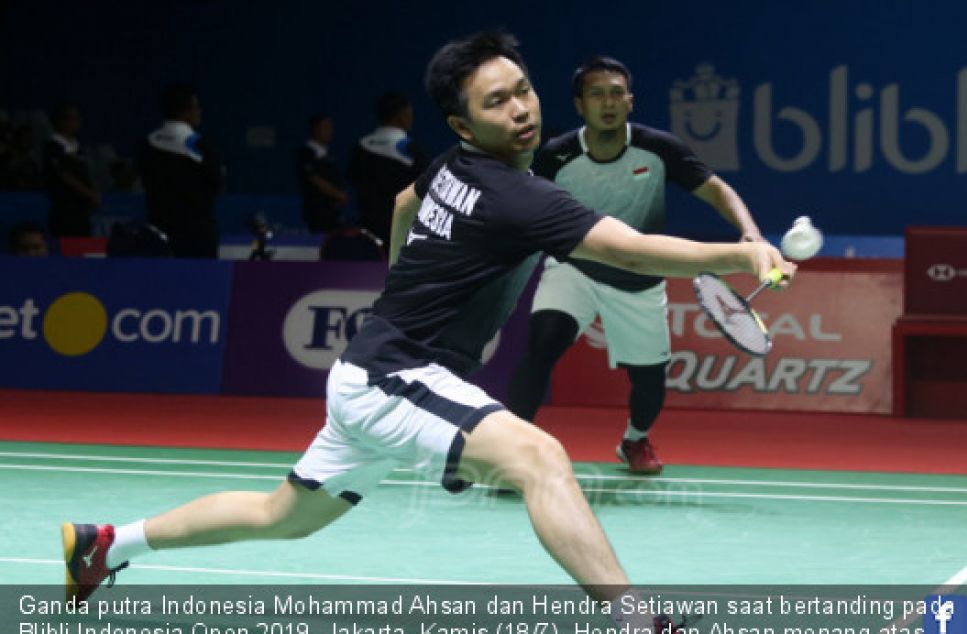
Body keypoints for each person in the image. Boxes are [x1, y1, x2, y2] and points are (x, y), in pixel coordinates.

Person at [62, 33, 792, 622]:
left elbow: (408, 202)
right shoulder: (518, 194)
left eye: (524, 91)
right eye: (497, 101)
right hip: (394, 375)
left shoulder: (451, 166)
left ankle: (103, 544)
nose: (520, 111)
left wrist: (397, 278)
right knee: (540, 459)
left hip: (372, 369)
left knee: (282, 516)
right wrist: (743, 250)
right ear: (463, 121)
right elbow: (628, 249)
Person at [507, 56, 767, 474]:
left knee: (649, 379)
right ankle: (511, 449)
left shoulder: (659, 149)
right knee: (543, 343)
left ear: (630, 101)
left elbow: (717, 190)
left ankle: (634, 440)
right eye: (596, 95)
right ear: (579, 105)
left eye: (615, 93)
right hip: (573, 267)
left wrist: (750, 233)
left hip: (639, 280)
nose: (607, 103)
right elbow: (517, 205)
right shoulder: (556, 156)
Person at [138, 84, 225, 258]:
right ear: (186, 112)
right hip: (197, 234)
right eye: (196, 107)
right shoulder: (199, 146)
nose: (199, 111)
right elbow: (218, 183)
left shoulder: (148, 143)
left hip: (159, 229)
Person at [347, 91, 427, 248]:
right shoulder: (409, 149)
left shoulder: (361, 146)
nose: (411, 118)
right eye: (409, 113)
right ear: (401, 116)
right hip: (401, 233)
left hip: (367, 232)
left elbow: (353, 178)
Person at [43, 104, 99, 237]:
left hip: (81, 211)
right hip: (64, 210)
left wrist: (93, 194)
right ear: (63, 121)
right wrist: (89, 193)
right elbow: (63, 175)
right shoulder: (53, 146)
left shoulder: (77, 147)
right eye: (74, 119)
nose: (78, 123)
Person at [296, 114, 348, 233]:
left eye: (330, 128)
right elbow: (313, 178)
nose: (329, 131)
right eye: (325, 127)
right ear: (315, 129)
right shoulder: (306, 153)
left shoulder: (328, 154)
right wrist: (338, 194)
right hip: (317, 211)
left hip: (333, 211)